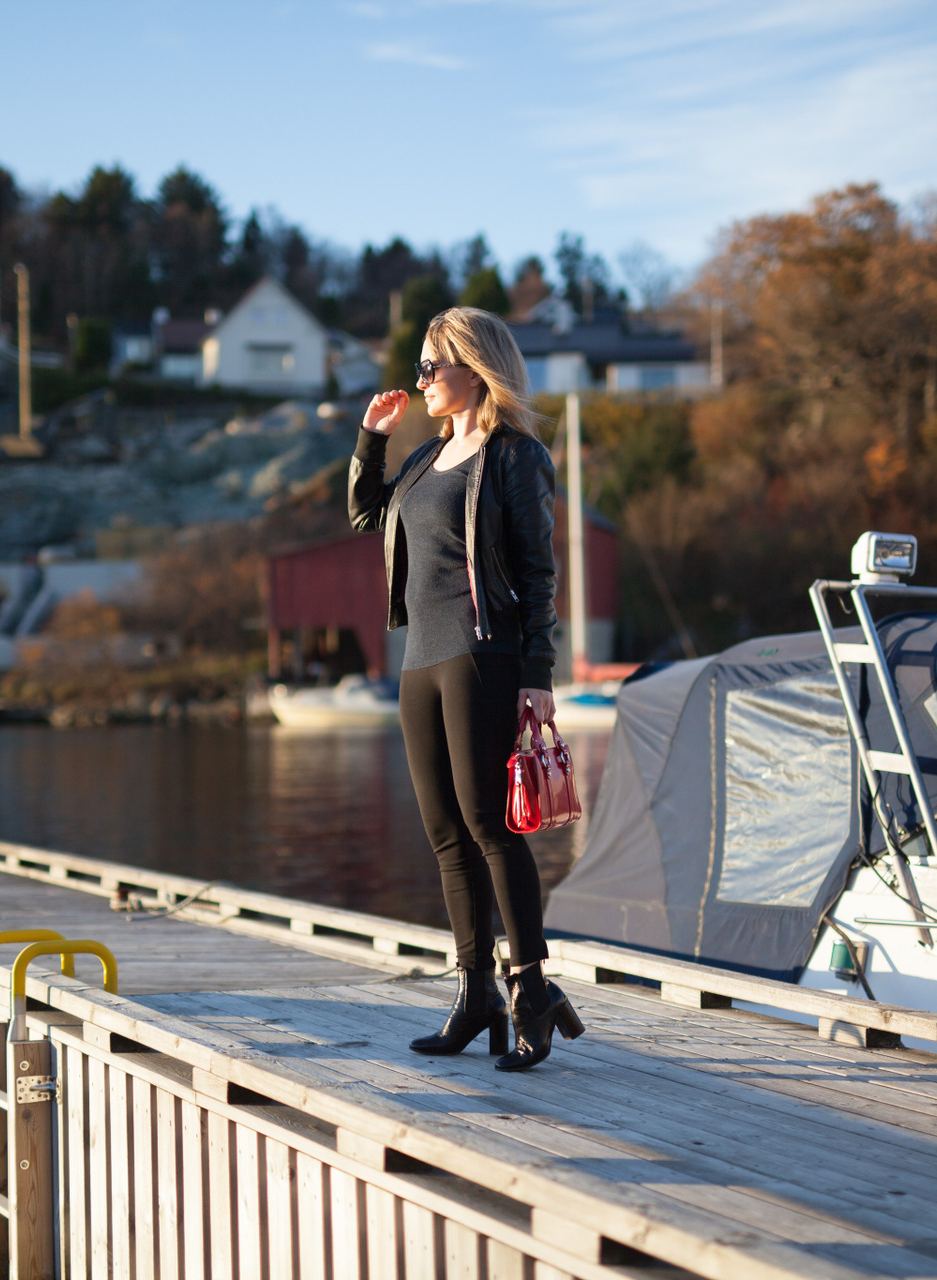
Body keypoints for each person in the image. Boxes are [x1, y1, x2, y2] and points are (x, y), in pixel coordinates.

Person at [349, 306, 584, 1071]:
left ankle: (530, 990)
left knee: (491, 826)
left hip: (484, 654)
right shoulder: (425, 459)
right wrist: (372, 439)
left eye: (432, 365)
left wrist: (538, 676)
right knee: (446, 833)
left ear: (475, 369)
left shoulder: (516, 456)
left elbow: (540, 575)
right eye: (419, 366)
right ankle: (475, 990)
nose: (420, 379)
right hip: (420, 661)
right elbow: (367, 514)